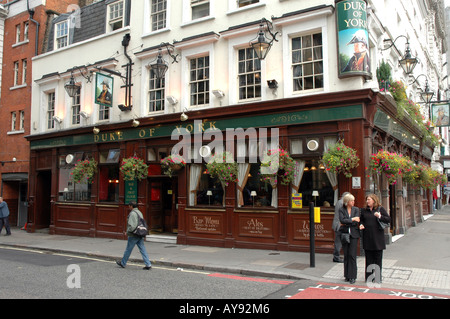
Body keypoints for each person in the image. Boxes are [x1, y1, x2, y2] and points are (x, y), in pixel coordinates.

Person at [359, 194, 391, 284]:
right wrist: (361, 224)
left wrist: (380, 216)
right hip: (368, 238)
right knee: (368, 259)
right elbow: (361, 220)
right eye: (367, 200)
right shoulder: (364, 210)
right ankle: (369, 277)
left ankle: (377, 278)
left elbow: (388, 219)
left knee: (377, 259)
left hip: (378, 239)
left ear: (374, 200)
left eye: (369, 199)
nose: (367, 201)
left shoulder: (380, 209)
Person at [116, 202, 152, 270]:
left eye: (129, 206)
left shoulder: (132, 213)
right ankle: (148, 264)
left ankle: (123, 263)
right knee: (142, 249)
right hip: (140, 233)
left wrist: (128, 231)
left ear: (131, 206)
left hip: (134, 234)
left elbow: (132, 226)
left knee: (128, 249)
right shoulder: (139, 212)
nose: (129, 207)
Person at [338, 193, 360, 284]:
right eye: (352, 201)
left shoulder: (356, 209)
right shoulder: (341, 210)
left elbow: (357, 221)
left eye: (354, 200)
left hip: (354, 235)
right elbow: (342, 220)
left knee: (352, 255)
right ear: (347, 202)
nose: (353, 202)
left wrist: (349, 221)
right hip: (344, 234)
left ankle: (352, 276)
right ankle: (347, 275)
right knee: (346, 255)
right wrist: (352, 219)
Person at [332, 192, 350, 263]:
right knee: (338, 241)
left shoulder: (340, 202)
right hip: (339, 225)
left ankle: (338, 256)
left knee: (340, 240)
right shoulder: (341, 203)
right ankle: (336, 257)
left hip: (339, 224)